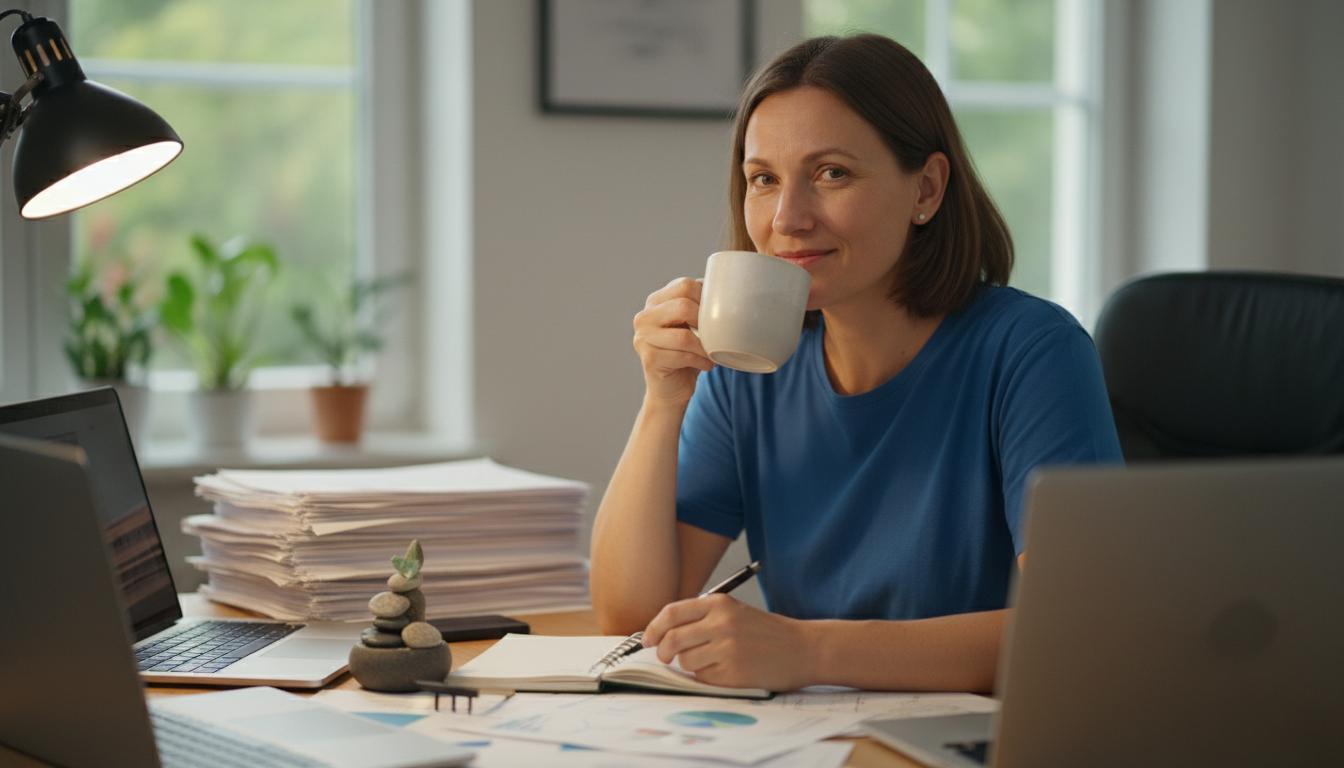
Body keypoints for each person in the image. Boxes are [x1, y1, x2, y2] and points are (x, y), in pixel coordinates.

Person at [589, 33, 1122, 693]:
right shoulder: (747, 369)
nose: (788, 218)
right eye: (764, 180)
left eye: (831, 173)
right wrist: (662, 401)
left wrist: (809, 651)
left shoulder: (1031, 351)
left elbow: (1078, 632)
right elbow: (628, 619)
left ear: (925, 188)